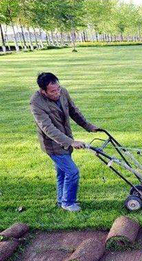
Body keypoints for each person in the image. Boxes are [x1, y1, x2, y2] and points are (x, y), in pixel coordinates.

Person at [30, 72, 99, 212]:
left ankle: (62, 200)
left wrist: (88, 126)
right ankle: (68, 203)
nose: (57, 93)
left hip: (65, 138)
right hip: (52, 144)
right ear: (43, 91)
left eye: (58, 89)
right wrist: (71, 142)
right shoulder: (36, 103)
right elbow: (47, 128)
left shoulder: (63, 93)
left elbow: (74, 111)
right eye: (53, 91)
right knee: (72, 172)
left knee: (62, 173)